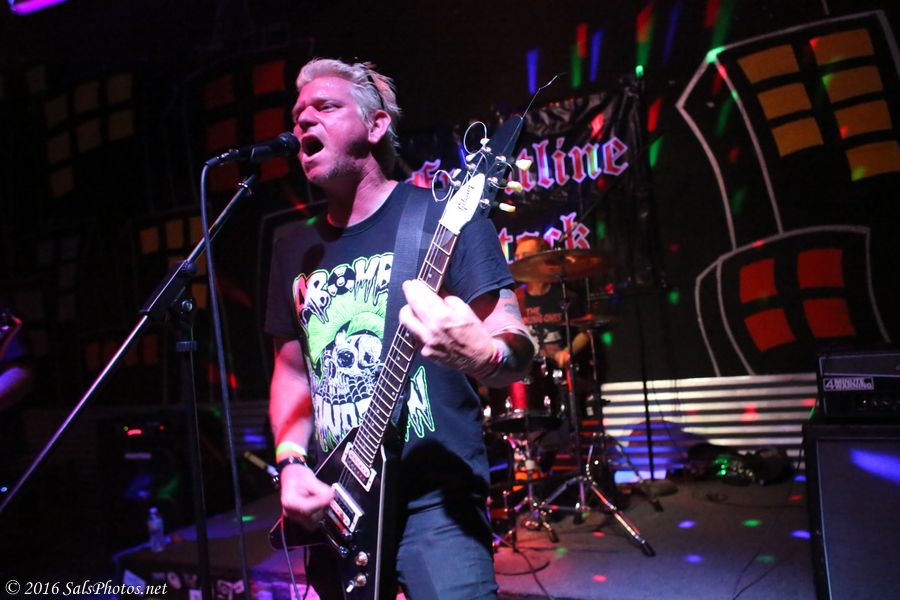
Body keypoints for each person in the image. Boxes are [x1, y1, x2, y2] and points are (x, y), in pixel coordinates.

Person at [264, 58, 535, 599]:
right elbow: (292, 372)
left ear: (376, 125)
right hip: (341, 501)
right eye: (297, 115)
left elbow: (517, 342)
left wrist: (484, 355)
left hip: (437, 499)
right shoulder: (294, 247)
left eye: (325, 107)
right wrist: (291, 463)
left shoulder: (445, 217)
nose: (304, 121)